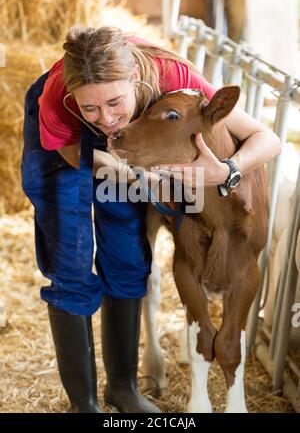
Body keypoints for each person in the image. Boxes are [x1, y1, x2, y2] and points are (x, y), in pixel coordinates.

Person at [21, 26, 281, 414]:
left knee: (127, 252)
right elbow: (79, 157)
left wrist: (226, 171)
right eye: (91, 107)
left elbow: (268, 139)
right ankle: (84, 404)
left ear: (137, 81)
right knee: (69, 255)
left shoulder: (175, 77)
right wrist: (143, 177)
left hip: (140, 136)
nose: (105, 118)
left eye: (114, 102)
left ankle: (123, 388)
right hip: (74, 147)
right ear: (74, 97)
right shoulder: (57, 100)